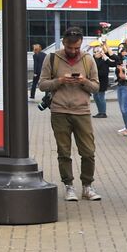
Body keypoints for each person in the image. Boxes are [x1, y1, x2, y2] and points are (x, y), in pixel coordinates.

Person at [36, 28, 102, 202]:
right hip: (59, 111)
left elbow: (96, 87)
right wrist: (60, 81)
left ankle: (87, 186)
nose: (73, 51)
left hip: (82, 111)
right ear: (64, 43)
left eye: (77, 48)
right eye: (69, 48)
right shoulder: (52, 58)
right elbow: (42, 85)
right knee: (64, 152)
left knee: (88, 152)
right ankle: (69, 186)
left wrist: (83, 81)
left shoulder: (88, 59)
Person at [89, 44, 111, 118]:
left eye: (97, 51)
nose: (95, 53)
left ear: (101, 52)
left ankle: (103, 112)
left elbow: (104, 72)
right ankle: (100, 111)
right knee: (96, 97)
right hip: (95, 81)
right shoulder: (93, 59)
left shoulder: (104, 60)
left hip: (102, 81)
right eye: (94, 52)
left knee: (101, 96)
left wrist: (95, 73)